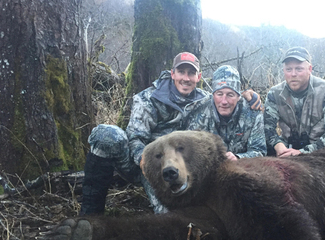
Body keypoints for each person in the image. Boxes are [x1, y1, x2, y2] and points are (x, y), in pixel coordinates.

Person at [81, 53, 261, 215]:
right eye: (181, 72)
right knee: (107, 134)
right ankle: (90, 214)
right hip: (145, 165)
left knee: (172, 216)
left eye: (191, 73)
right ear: (172, 73)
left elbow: (225, 94)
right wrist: (144, 161)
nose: (186, 78)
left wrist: (247, 94)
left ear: (198, 77)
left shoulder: (205, 100)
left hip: (174, 169)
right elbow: (135, 138)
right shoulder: (148, 99)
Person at [264, 47, 325, 157]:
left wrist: (302, 152)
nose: (293, 74)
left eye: (299, 69)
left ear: (309, 69)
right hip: (288, 152)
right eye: (289, 69)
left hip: (323, 153)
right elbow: (267, 128)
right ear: (283, 70)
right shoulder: (274, 93)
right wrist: (278, 145)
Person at [183, 65, 266, 160]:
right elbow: (190, 152)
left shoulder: (253, 112)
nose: (224, 101)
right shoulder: (197, 111)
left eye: (230, 95)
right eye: (219, 94)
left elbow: (260, 151)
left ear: (239, 96)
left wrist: (238, 158)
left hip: (243, 168)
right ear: (213, 95)